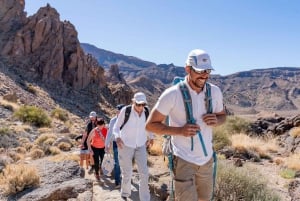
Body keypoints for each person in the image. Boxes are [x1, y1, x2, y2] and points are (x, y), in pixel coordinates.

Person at [145, 49, 226, 201]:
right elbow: (150, 125)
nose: (204, 75)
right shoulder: (172, 94)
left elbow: (223, 116)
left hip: (206, 160)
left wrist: (217, 120)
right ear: (187, 69)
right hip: (183, 160)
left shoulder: (215, 92)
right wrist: (180, 131)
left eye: (207, 71)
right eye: (200, 71)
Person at [113, 92, 154, 201]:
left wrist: (151, 137)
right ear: (133, 102)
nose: (140, 107)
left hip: (141, 145)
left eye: (143, 104)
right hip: (125, 145)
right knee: (127, 172)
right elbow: (116, 127)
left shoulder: (146, 112)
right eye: (138, 104)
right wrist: (117, 137)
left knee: (144, 173)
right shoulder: (126, 111)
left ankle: (145, 198)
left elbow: (148, 127)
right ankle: (125, 193)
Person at [105, 104, 125, 189]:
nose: (118, 112)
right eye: (117, 111)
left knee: (126, 162)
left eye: (120, 111)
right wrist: (106, 144)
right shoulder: (113, 120)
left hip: (126, 144)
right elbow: (110, 133)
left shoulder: (127, 120)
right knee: (117, 163)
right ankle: (118, 182)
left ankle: (126, 179)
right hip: (116, 143)